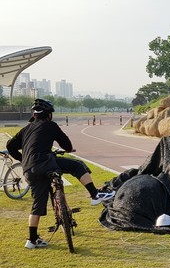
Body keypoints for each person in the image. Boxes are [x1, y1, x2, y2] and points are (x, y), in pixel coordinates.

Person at [6, 99, 115, 249]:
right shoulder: (50, 125)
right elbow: (67, 145)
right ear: (48, 115)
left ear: (34, 115)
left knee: (37, 204)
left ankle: (32, 240)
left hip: (28, 170)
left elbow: (10, 146)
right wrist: (68, 150)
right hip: (45, 162)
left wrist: (23, 158)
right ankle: (95, 195)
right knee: (77, 165)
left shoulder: (26, 129)